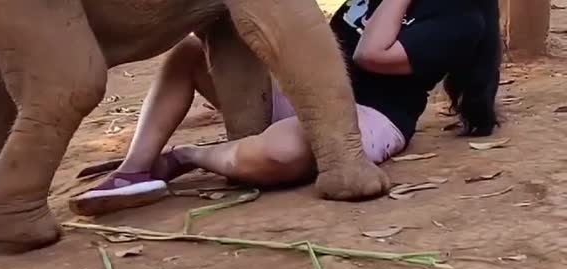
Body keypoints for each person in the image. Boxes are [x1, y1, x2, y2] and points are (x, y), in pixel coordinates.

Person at [69, 0, 501, 216]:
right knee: (187, 54)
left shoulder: (461, 19)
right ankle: (134, 170)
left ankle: (183, 158)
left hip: (370, 115)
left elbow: (371, 54)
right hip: (305, 96)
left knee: (277, 155)